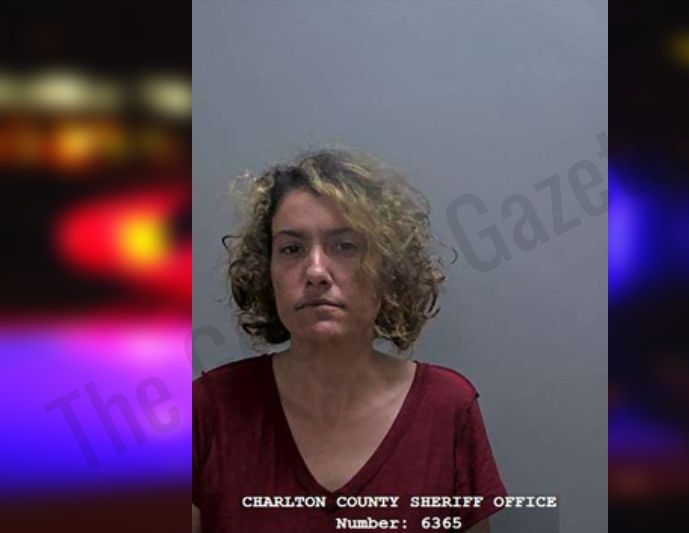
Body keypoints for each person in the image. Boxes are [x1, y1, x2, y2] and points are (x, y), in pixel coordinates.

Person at [192, 148, 507, 532]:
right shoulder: (207, 409)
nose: (316, 271)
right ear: (266, 271)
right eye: (291, 249)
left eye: (345, 246)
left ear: (387, 269)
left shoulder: (447, 408)